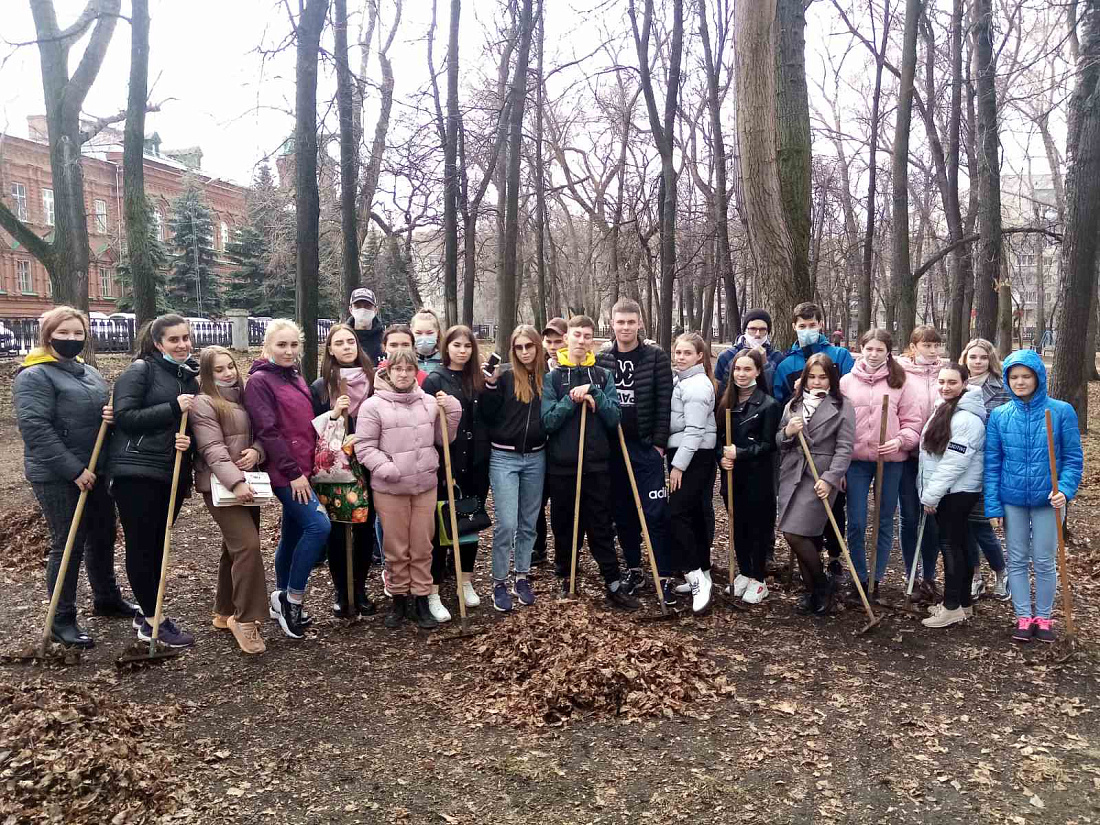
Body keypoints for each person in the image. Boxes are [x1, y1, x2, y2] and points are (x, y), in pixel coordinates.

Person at [14, 306, 137, 649]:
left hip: (94, 467)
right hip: (57, 474)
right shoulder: (34, 376)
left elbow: (95, 414)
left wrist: (108, 416)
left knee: (103, 535)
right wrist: (74, 470)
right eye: (64, 333)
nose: (71, 339)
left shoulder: (88, 371)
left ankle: (107, 597)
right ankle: (62, 619)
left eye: (77, 333)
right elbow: (35, 429)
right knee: (67, 542)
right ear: (48, 335)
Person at [109, 313, 198, 648]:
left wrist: (185, 439)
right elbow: (125, 418)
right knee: (143, 545)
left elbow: (187, 424)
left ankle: (145, 609)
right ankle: (152, 620)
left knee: (158, 544)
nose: (182, 344)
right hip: (135, 472)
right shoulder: (140, 371)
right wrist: (173, 408)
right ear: (158, 343)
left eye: (186, 338)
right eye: (174, 339)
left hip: (169, 472)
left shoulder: (188, 377)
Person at [355, 350, 462, 629]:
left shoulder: (428, 403)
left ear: (416, 371)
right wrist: (385, 467)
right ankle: (399, 599)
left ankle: (421, 599)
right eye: (397, 369)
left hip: (424, 484)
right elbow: (364, 446)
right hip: (390, 487)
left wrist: (451, 412)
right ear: (388, 371)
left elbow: (443, 439)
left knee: (422, 544)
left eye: (409, 368)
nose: (403, 374)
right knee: (396, 546)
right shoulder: (373, 406)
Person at [985, 350, 1082, 643]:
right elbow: (992, 462)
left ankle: (1044, 616)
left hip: (1048, 500)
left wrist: (1064, 490)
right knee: (1016, 559)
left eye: (1026, 376)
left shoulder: (1060, 411)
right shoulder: (1000, 416)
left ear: (1038, 377)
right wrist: (993, 505)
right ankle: (1023, 616)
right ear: (1007, 379)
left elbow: (1073, 459)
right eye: (1014, 377)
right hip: (1012, 498)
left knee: (1043, 559)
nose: (1020, 382)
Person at [542, 315, 639, 609]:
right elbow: (548, 421)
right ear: (567, 338)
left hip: (596, 465)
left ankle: (612, 582)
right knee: (564, 524)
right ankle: (565, 578)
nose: (581, 341)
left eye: (587, 336)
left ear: (593, 341)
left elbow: (614, 418)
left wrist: (595, 393)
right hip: (563, 466)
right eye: (577, 335)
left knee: (600, 524)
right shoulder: (554, 378)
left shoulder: (602, 376)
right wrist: (571, 400)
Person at [245, 319, 332, 639]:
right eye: (281, 345)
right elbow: (268, 431)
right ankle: (292, 598)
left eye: (294, 345)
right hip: (286, 472)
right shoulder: (260, 381)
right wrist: (294, 473)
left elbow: (302, 423)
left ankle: (279, 595)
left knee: (293, 533)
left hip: (305, 467)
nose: (288, 351)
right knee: (319, 526)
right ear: (267, 347)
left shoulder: (294, 375)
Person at [191, 346, 268, 654]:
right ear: (207, 375)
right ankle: (245, 619)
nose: (227, 373)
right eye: (218, 370)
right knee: (248, 545)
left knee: (234, 547)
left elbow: (260, 433)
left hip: (248, 482)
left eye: (230, 367)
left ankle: (224, 611)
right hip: (222, 488)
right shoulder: (204, 403)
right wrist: (234, 482)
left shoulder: (245, 396)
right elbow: (212, 449)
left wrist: (257, 451)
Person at [596, 298, 673, 595]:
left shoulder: (655, 357)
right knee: (623, 511)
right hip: (615, 449)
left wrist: (658, 446)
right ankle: (634, 568)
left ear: (639, 323)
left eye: (631, 322)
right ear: (612, 324)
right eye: (620, 322)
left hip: (645, 448)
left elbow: (664, 401)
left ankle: (663, 573)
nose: (625, 327)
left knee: (654, 512)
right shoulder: (603, 359)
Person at [839, 328, 922, 596]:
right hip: (856, 462)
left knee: (885, 518)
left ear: (889, 352)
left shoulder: (901, 382)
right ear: (861, 349)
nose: (874, 354)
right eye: (869, 349)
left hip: (890, 461)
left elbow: (913, 423)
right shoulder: (846, 383)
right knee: (857, 520)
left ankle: (876, 577)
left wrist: (899, 441)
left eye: (879, 350)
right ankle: (859, 576)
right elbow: (838, 425)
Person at [776, 354, 855, 614]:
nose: (817, 382)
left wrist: (830, 479)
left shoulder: (843, 406)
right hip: (793, 473)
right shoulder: (794, 405)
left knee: (795, 533)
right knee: (800, 534)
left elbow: (845, 449)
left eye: (823, 377)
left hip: (819, 476)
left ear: (831, 378)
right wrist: (788, 432)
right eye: (812, 376)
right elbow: (779, 441)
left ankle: (821, 586)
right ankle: (814, 591)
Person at [422, 325, 491, 621]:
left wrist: (493, 388)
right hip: (447, 464)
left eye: (467, 346)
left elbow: (489, 416)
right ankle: (434, 592)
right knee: (441, 527)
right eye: (456, 345)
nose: (462, 350)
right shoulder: (435, 379)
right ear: (446, 347)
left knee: (469, 523)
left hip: (476, 463)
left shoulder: (479, 379)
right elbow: (428, 427)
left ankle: (465, 581)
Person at [310, 323, 377, 619]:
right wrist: (334, 415)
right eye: (340, 343)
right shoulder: (321, 386)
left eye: (351, 342)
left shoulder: (374, 381)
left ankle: (359, 589)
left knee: (364, 527)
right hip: (335, 469)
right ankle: (341, 591)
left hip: (369, 463)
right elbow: (312, 428)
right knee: (338, 529)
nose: (347, 347)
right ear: (330, 349)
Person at [481, 326, 547, 612]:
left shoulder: (549, 377)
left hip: (536, 457)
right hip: (504, 457)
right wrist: (491, 386)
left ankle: (522, 576)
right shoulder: (506, 378)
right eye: (519, 347)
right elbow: (488, 414)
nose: (524, 352)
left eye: (529, 346)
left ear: (537, 347)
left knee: (528, 522)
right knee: (506, 523)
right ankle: (499, 581)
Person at [917, 364, 987, 628]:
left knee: (950, 546)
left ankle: (952, 606)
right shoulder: (945, 408)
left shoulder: (967, 418)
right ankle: (964, 602)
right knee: (961, 543)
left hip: (957, 491)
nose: (946, 387)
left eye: (952, 383)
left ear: (965, 383)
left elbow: (953, 463)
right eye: (942, 381)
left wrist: (931, 495)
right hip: (949, 489)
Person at [717, 347, 781, 606]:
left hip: (758, 478)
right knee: (738, 526)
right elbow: (718, 438)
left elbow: (769, 445)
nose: (741, 374)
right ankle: (743, 570)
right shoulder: (725, 402)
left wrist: (740, 452)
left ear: (757, 371)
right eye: (737, 369)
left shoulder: (769, 405)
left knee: (757, 528)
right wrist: (721, 457)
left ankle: (758, 577)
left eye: (747, 369)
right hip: (732, 476)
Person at [897, 326, 949, 602]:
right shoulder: (901, 372)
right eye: (926, 345)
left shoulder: (947, 373)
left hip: (937, 456)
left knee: (931, 517)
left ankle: (929, 575)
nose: (931, 351)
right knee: (908, 516)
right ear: (913, 346)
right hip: (908, 455)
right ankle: (911, 574)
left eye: (935, 346)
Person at [667, 333, 718, 613]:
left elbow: (695, 431)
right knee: (695, 514)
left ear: (700, 356)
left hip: (693, 455)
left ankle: (695, 575)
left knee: (676, 512)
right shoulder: (684, 380)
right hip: (689, 453)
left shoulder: (697, 385)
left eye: (687, 353)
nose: (680, 357)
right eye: (678, 352)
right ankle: (704, 570)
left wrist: (678, 466)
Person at [960, 338, 1010, 599]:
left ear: (990, 359)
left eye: (982, 357)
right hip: (960, 466)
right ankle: (975, 575)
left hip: (988, 464)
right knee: (964, 524)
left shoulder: (1001, 388)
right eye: (973, 357)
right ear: (965, 359)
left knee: (981, 524)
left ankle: (1001, 572)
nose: (977, 362)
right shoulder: (957, 384)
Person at [532, 317, 568, 567]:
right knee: (536, 500)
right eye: (549, 341)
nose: (553, 346)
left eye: (559, 340)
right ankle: (538, 547)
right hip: (539, 443)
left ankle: (563, 552)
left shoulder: (574, 367)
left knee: (561, 505)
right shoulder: (538, 367)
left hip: (564, 444)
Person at [773, 302, 855, 407]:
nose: (807, 331)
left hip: (836, 417)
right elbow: (781, 404)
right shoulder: (785, 366)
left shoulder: (841, 355)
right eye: (802, 326)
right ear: (794, 327)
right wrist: (798, 393)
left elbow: (851, 392)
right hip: (801, 420)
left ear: (820, 324)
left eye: (812, 325)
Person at [714, 309, 785, 396]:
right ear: (745, 330)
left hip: (765, 408)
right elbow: (718, 390)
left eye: (762, 329)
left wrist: (765, 364)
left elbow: (775, 391)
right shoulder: (727, 356)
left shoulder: (777, 357)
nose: (757, 334)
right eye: (753, 329)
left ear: (768, 331)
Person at [348, 287, 384, 363]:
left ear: (375, 310)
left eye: (367, 306)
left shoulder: (384, 339)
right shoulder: (343, 338)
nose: (363, 310)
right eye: (358, 306)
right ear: (351, 310)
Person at [411, 308, 444, 375]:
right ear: (411, 332)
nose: (424, 337)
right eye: (418, 333)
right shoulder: (407, 359)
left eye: (429, 333)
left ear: (438, 332)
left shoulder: (445, 358)